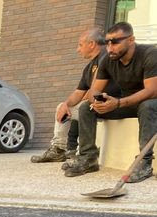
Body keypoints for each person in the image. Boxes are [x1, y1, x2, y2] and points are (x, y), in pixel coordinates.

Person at [65, 22, 157, 179]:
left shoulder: (149, 54)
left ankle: (144, 163)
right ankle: (88, 158)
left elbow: (151, 91)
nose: (110, 47)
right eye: (107, 42)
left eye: (115, 42)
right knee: (86, 107)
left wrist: (118, 103)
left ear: (131, 40)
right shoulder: (108, 60)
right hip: (128, 103)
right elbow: (94, 89)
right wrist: (98, 101)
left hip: (151, 102)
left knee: (147, 105)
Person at [31, 28, 119, 164]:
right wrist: (66, 104)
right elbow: (79, 92)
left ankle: (82, 153)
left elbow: (93, 91)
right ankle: (59, 149)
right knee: (63, 107)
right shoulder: (89, 67)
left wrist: (80, 100)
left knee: (83, 107)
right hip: (94, 106)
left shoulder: (105, 58)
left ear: (91, 44)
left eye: (80, 44)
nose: (78, 49)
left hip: (111, 105)